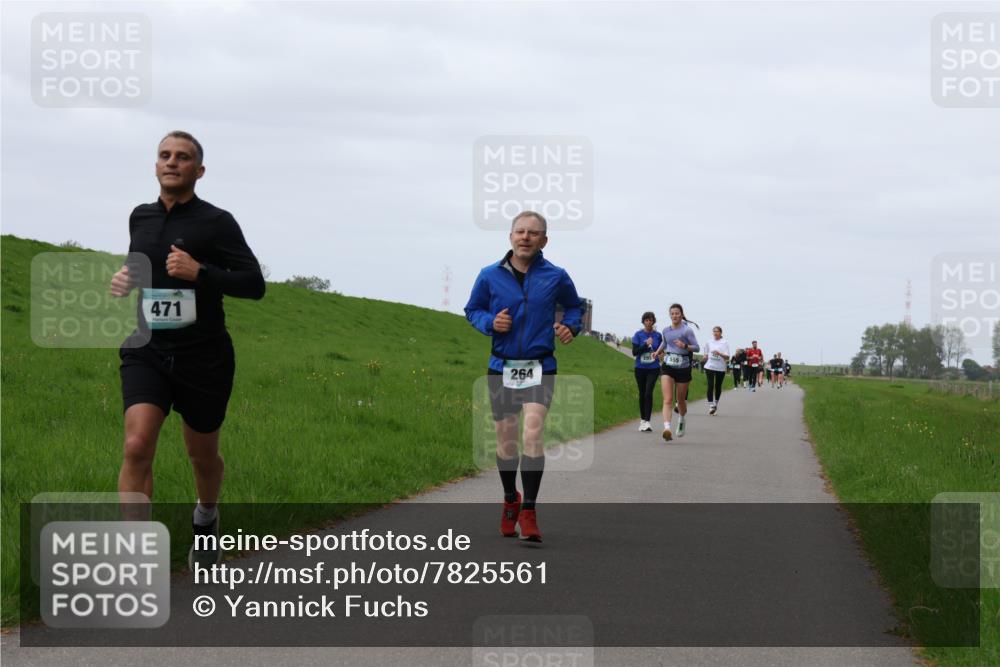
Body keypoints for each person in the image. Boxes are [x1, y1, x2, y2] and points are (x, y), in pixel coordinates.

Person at [109, 131, 266, 568]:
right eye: (164, 155)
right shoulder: (139, 217)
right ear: (155, 165)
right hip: (148, 347)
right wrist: (126, 279)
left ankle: (206, 517)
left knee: (203, 455)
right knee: (138, 442)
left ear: (198, 171)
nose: (172, 162)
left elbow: (254, 285)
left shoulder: (217, 222)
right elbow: (139, 264)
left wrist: (202, 272)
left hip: (205, 355)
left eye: (183, 157)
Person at [464, 211, 583, 543]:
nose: (525, 237)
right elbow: (472, 309)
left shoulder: (556, 276)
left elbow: (576, 306)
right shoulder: (489, 276)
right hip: (501, 365)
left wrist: (570, 325)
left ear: (544, 240)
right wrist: (491, 323)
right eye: (520, 231)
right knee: (506, 439)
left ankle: (529, 510)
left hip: (539, 364)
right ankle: (509, 499)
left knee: (532, 433)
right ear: (510, 237)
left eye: (533, 233)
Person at [654, 304, 700, 441]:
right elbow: (665, 342)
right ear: (670, 315)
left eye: (677, 313)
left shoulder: (687, 331)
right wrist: (657, 352)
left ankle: (681, 418)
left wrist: (684, 346)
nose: (674, 316)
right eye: (672, 313)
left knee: (680, 400)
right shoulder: (666, 330)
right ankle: (667, 428)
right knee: (667, 399)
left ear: (681, 315)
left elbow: (696, 348)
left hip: (683, 367)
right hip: (668, 365)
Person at [632, 312, 662, 432]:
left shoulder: (658, 335)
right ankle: (642, 420)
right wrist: (645, 344)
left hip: (653, 368)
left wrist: (660, 353)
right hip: (640, 368)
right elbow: (635, 352)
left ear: (653, 321)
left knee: (649, 393)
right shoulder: (638, 335)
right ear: (643, 321)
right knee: (642, 393)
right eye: (646, 320)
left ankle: (648, 422)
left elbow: (661, 349)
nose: (649, 322)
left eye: (651, 320)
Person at [702, 326, 730, 415]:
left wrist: (719, 353)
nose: (715, 333)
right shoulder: (709, 342)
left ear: (721, 333)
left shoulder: (724, 343)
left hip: (720, 367)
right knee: (710, 385)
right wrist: (705, 357)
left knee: (718, 386)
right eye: (714, 331)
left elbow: (727, 356)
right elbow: (706, 353)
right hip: (710, 366)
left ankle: (715, 404)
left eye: (717, 331)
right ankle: (711, 405)